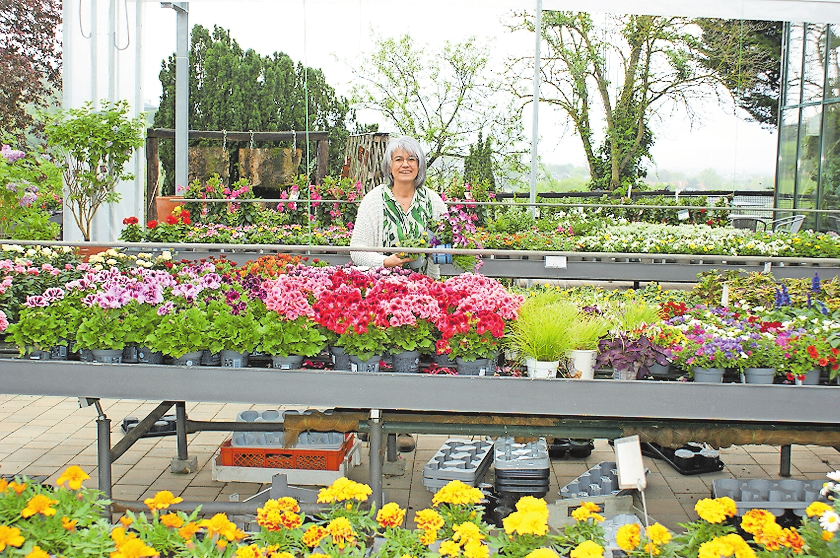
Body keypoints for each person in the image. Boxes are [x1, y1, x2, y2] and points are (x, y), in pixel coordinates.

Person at [350, 136, 447, 278]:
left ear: (419, 166)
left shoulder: (434, 202)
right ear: (389, 166)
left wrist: (437, 253)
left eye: (412, 159)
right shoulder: (374, 201)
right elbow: (357, 251)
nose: (405, 164)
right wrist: (384, 261)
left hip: (424, 289)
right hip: (382, 288)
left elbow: (444, 254)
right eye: (399, 159)